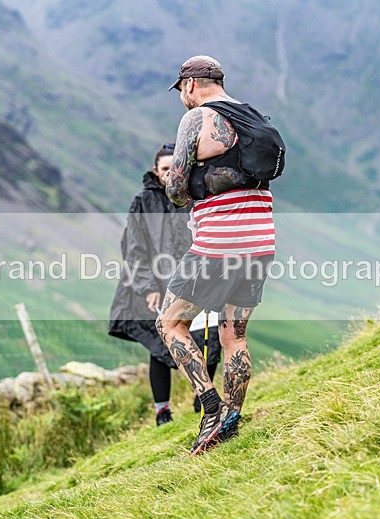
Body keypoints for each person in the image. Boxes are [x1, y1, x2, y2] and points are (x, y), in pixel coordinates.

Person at [156, 56, 277, 455]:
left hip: (217, 243)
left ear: (189, 85)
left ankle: (209, 406)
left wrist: (192, 185)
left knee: (170, 324)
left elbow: (174, 190)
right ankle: (231, 421)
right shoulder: (250, 115)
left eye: (181, 92)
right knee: (234, 335)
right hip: (261, 240)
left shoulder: (197, 119)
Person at [108, 143, 222, 425]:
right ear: (156, 171)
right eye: (164, 169)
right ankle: (162, 411)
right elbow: (134, 247)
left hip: (197, 277)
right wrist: (148, 288)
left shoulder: (196, 193)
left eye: (175, 166)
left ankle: (202, 396)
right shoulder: (143, 202)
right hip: (156, 283)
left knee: (209, 337)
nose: (170, 173)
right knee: (161, 345)